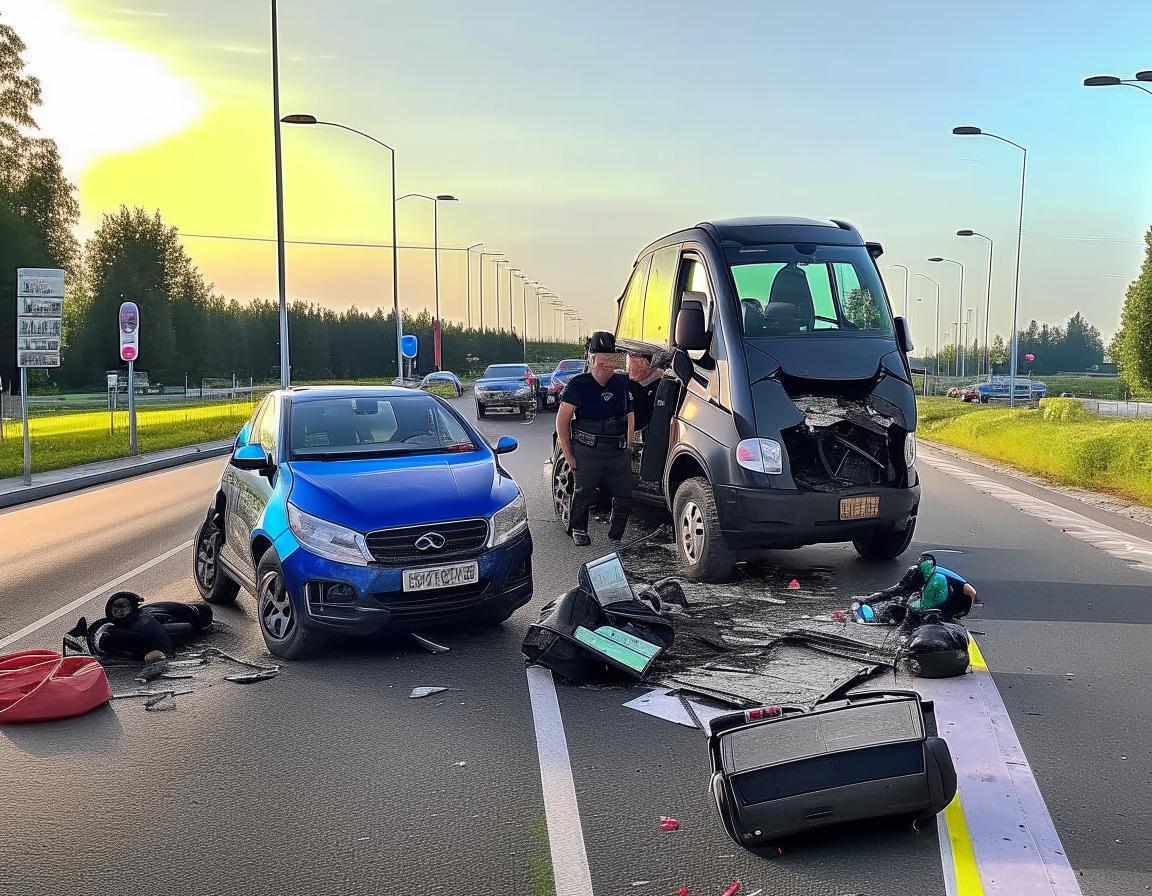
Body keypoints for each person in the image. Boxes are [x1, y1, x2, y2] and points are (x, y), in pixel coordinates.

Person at [556, 332, 635, 546]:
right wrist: (568, 454)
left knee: (624, 494)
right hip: (587, 448)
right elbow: (562, 421)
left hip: (616, 449)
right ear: (591, 361)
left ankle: (616, 535)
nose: (606, 369)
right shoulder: (578, 384)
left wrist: (629, 444)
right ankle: (578, 529)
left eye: (610, 364)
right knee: (583, 492)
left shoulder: (621, 382)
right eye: (601, 364)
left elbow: (630, 414)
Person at [853, 552, 977, 625]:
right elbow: (899, 590)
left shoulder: (938, 578)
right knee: (898, 606)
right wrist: (870, 599)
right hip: (937, 602)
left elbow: (970, 591)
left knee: (909, 611)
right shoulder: (917, 574)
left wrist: (961, 612)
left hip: (950, 605)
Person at [626, 350, 663, 433]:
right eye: (631, 365)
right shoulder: (626, 381)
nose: (632, 369)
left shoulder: (658, 386)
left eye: (637, 365)